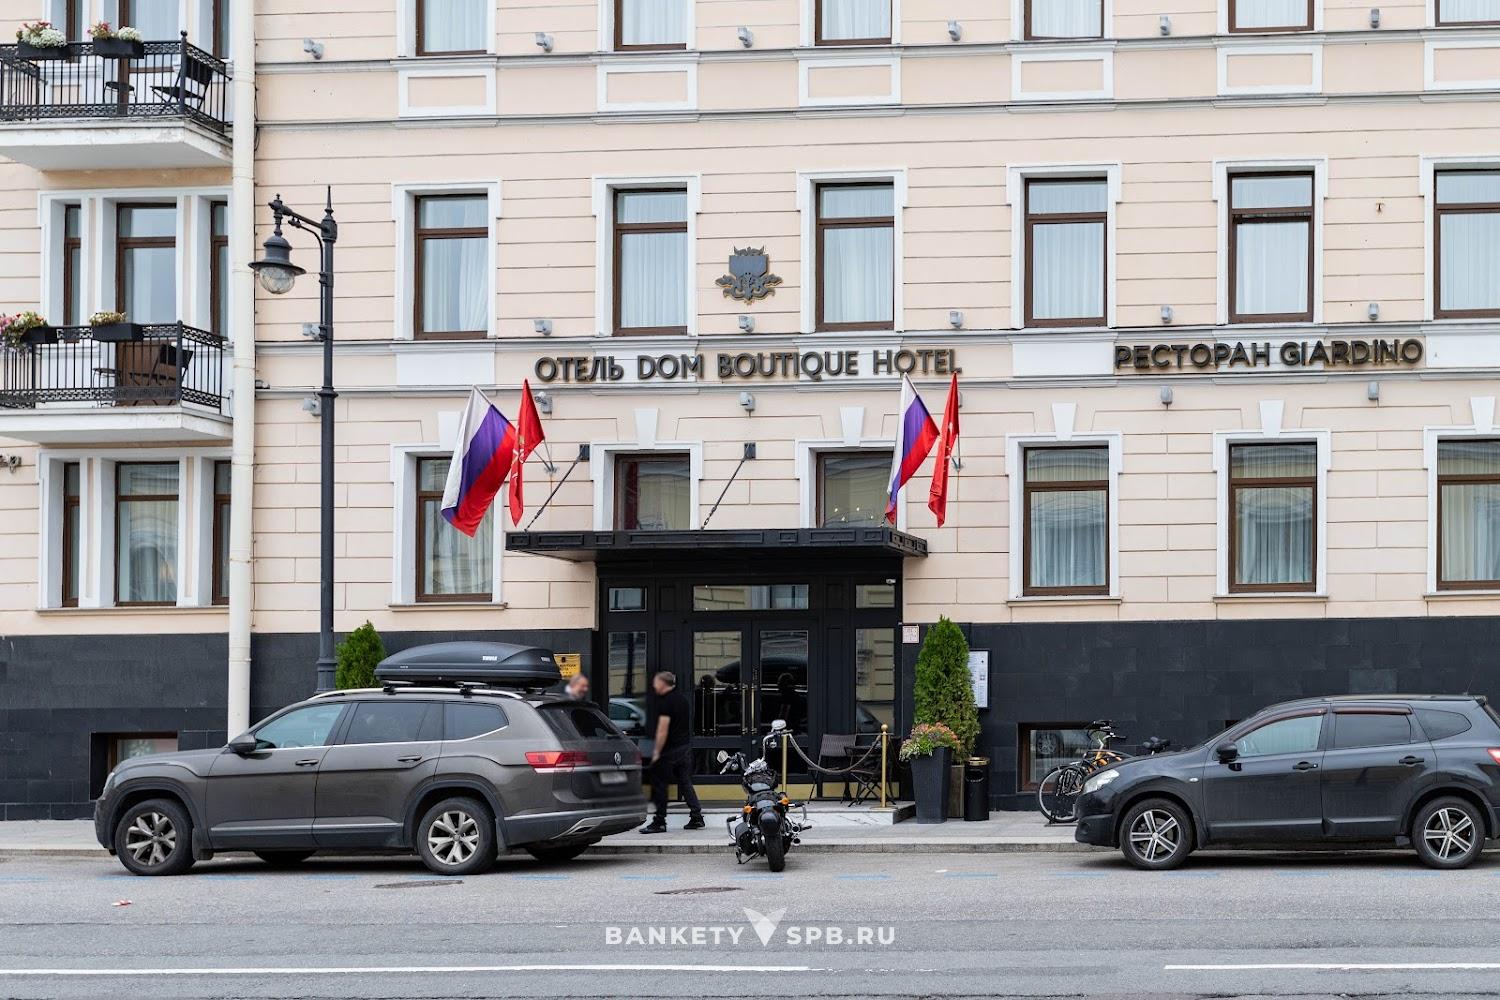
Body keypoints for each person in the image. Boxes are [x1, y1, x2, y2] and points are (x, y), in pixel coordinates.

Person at [640, 671, 704, 833]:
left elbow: (662, 730)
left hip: (668, 751)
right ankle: (697, 816)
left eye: (656, 682)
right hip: (684, 748)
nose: (654, 685)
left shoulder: (665, 702)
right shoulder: (682, 700)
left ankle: (659, 821)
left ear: (663, 683)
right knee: (685, 783)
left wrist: (656, 751)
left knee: (660, 785)